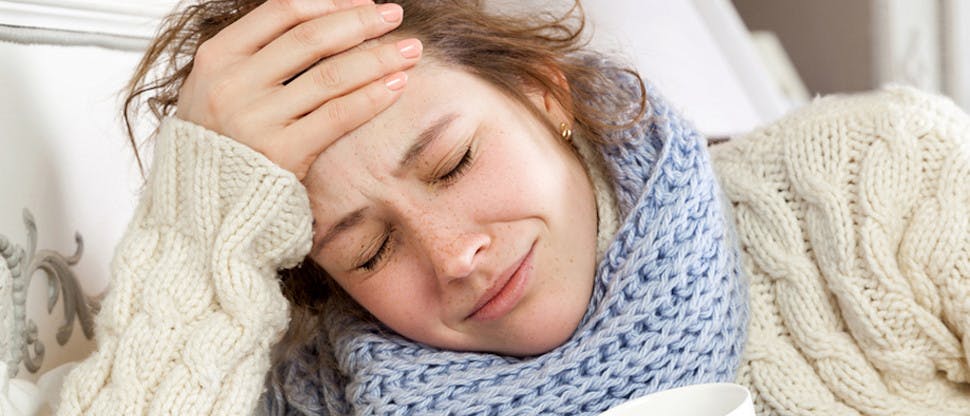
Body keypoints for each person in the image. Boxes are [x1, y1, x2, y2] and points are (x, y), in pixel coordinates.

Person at [55, 0, 970, 415]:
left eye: (451, 164)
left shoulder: (871, 180)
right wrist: (195, 228)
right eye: (368, 252)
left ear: (543, 94)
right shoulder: (302, 393)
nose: (454, 257)